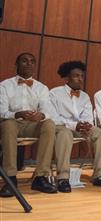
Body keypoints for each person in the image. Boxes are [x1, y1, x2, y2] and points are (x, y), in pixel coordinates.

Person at [50, 61, 101, 192]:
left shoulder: (84, 96)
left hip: (80, 128)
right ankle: (63, 177)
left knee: (99, 133)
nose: (80, 79)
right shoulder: (54, 93)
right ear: (67, 78)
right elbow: (53, 118)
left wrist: (86, 125)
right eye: (76, 76)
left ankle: (100, 175)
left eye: (82, 76)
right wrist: (75, 125)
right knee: (65, 133)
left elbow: (87, 116)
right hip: (62, 127)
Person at [0, 53, 57, 197]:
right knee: (8, 125)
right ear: (17, 64)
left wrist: (41, 115)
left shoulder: (41, 87)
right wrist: (17, 114)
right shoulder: (5, 85)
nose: (29, 64)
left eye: (32, 61)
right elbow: (2, 112)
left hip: (32, 125)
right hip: (13, 123)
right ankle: (10, 178)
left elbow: (47, 110)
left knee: (49, 124)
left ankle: (40, 177)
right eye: (24, 61)